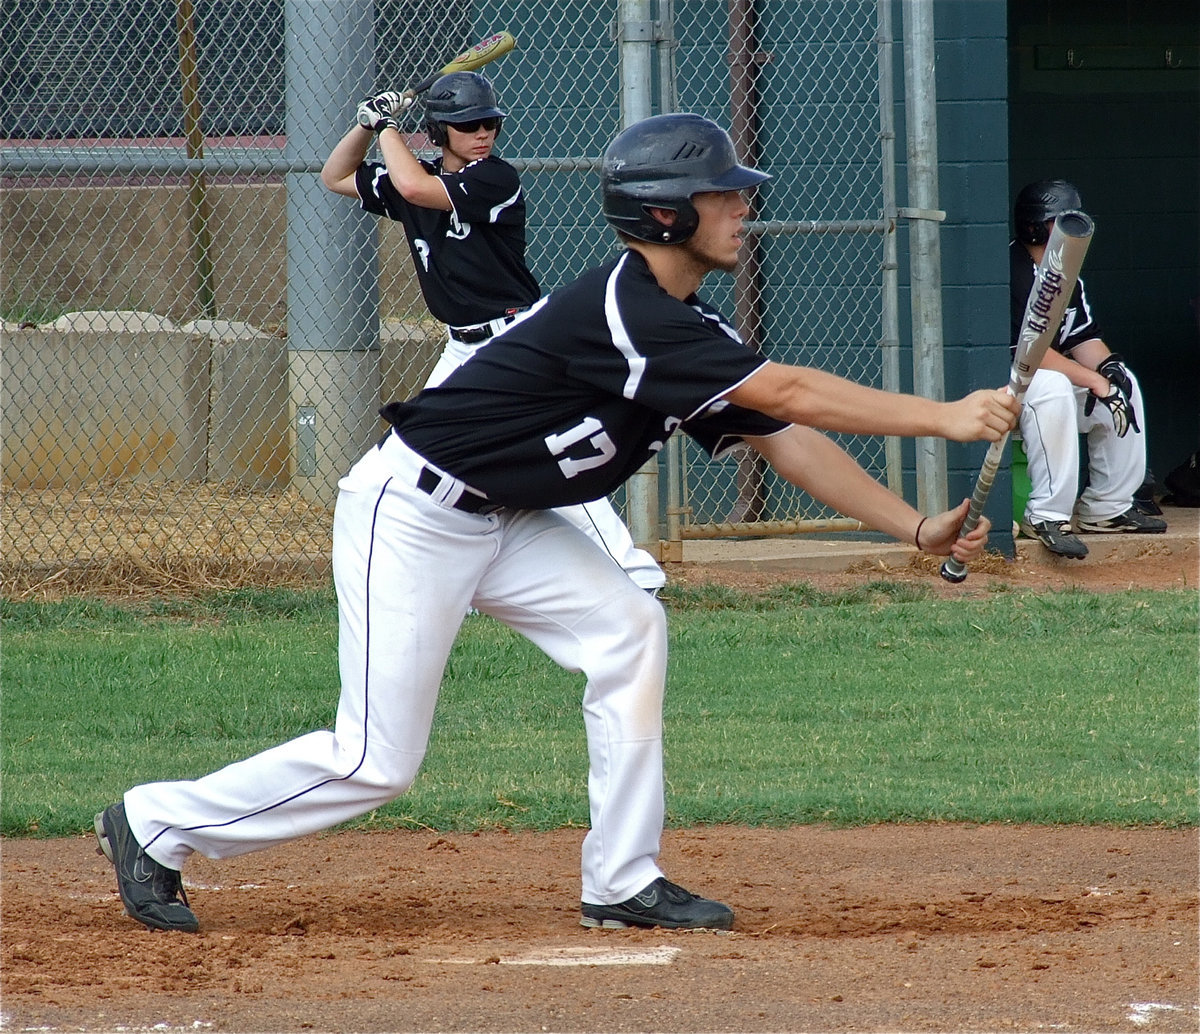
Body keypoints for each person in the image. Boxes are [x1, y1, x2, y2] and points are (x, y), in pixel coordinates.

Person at [94, 113, 1019, 935]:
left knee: (628, 630)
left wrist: (914, 526)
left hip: (509, 522)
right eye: (722, 194)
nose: (743, 207)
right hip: (413, 515)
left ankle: (622, 880)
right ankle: (156, 822)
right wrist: (943, 415)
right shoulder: (626, 311)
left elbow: (781, 433)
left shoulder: (681, 325)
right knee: (375, 759)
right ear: (665, 214)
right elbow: (788, 389)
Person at [320, 72, 665, 592]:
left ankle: (634, 576)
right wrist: (367, 124)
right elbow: (335, 175)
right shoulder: (415, 177)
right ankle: (447, 569)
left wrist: (388, 123)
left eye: (489, 123)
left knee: (551, 454)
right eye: (466, 125)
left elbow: (415, 186)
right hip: (461, 346)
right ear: (438, 133)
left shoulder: (494, 178)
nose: (482, 133)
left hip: (515, 339)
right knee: (418, 448)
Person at [1010, 179, 1167, 558]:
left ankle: (1107, 508)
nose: (1071, 227)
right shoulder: (1011, 270)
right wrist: (1092, 379)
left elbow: (1082, 338)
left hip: (1050, 379)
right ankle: (1045, 514)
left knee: (1123, 382)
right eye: (1059, 220)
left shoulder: (1065, 271)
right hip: (1007, 386)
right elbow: (1028, 355)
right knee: (1053, 387)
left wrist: (1107, 368)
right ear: (1035, 225)